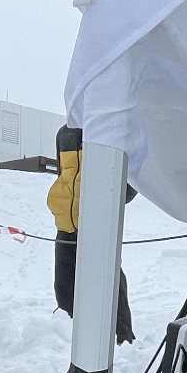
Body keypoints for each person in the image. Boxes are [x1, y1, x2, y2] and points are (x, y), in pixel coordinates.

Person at [48, 123, 135, 345]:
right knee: (64, 290)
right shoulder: (64, 133)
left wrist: (108, 198)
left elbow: (131, 182)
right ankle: (81, 338)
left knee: (108, 285)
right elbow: (62, 174)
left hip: (97, 224)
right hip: (66, 224)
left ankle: (122, 335)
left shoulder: (107, 129)